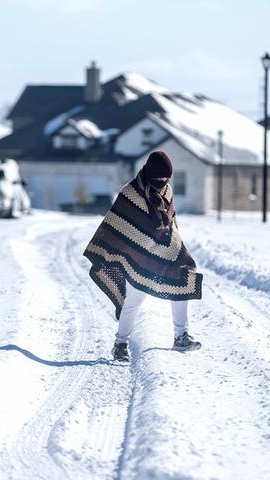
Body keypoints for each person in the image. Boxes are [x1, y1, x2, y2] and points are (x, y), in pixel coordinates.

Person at [83, 151, 203, 362]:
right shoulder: (130, 192)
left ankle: (181, 336)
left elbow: (171, 224)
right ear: (149, 174)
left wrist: (173, 246)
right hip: (137, 257)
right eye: (159, 179)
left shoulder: (167, 191)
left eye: (166, 179)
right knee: (133, 302)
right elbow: (118, 224)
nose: (162, 182)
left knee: (182, 281)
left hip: (164, 253)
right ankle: (120, 344)